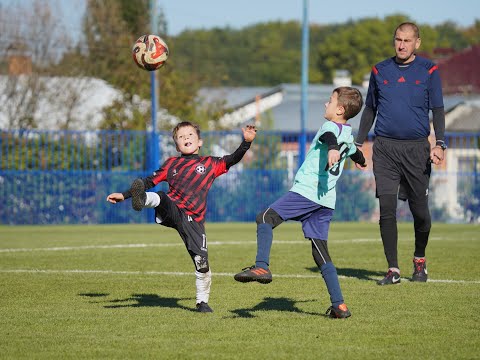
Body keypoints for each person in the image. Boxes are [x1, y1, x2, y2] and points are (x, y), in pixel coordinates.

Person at [234, 87, 366, 319]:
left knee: (265, 217)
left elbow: (328, 138)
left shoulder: (330, 128)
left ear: (340, 109)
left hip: (307, 192)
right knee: (320, 252)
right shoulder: (348, 132)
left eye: (330, 101)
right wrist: (361, 160)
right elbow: (355, 151)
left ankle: (262, 265)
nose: (326, 104)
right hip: (326, 200)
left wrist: (333, 149)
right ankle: (340, 305)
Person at [107, 121, 257, 312]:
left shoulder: (210, 164)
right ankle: (142, 200)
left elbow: (233, 159)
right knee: (162, 197)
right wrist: (125, 195)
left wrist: (246, 143)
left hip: (194, 220)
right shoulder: (171, 164)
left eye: (190, 135)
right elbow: (148, 181)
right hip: (174, 209)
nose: (186, 138)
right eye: (181, 137)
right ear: (176, 145)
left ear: (200, 141)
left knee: (202, 263)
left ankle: (202, 302)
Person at [354, 22, 446, 286]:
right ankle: (392, 269)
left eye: (407, 40)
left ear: (417, 42)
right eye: (398, 40)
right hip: (384, 149)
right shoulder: (379, 70)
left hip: (417, 150)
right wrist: (359, 143)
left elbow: (438, 110)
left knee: (421, 214)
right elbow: (369, 109)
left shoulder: (429, 70)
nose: (401, 45)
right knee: (386, 209)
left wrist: (439, 144)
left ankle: (419, 259)